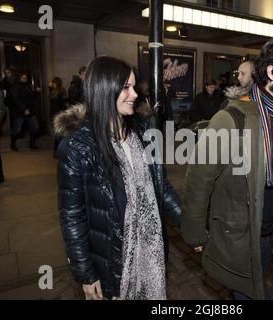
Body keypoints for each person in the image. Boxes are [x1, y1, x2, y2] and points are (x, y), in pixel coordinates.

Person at [181, 35, 273, 299]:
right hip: (237, 236)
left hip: (269, 235)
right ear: (272, 72)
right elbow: (199, 180)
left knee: (257, 286)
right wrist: (195, 233)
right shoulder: (230, 119)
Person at [54, 56, 180, 300]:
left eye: (134, 86)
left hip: (151, 250)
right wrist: (85, 272)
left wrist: (189, 223)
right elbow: (72, 215)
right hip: (112, 259)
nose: (134, 94)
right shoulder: (77, 146)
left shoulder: (142, 131)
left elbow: (160, 186)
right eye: (126, 88)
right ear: (103, 89)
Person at [10, 72, 40, 150]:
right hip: (19, 112)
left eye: (26, 78)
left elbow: (31, 97)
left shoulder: (28, 86)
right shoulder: (15, 87)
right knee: (17, 129)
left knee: (35, 127)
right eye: (23, 78)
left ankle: (32, 143)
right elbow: (16, 99)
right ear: (19, 78)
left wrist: (36, 92)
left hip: (30, 111)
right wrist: (24, 109)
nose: (25, 79)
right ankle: (12, 144)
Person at [49, 77, 67, 155]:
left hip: (58, 114)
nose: (52, 84)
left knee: (59, 134)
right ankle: (57, 151)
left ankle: (58, 151)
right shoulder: (53, 91)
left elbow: (63, 103)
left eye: (53, 83)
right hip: (56, 114)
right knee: (58, 134)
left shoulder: (60, 91)